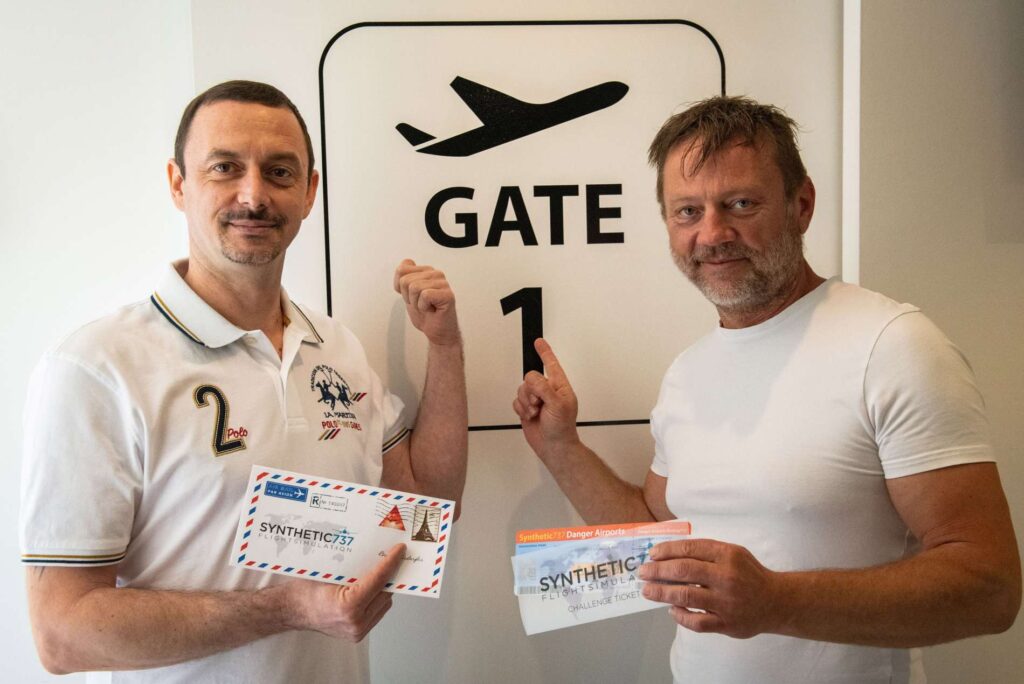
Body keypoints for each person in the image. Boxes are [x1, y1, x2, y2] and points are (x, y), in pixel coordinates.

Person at [513, 96, 1020, 683]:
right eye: (687, 212)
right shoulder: (688, 372)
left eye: (741, 203)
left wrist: (774, 600)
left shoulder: (892, 346)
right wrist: (560, 447)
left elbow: (991, 586)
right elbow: (657, 529)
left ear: (801, 205)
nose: (713, 233)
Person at [20, 80, 467, 682]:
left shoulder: (337, 348)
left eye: (280, 173)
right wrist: (286, 608)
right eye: (225, 168)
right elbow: (62, 634)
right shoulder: (97, 369)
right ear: (179, 184)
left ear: (310, 194)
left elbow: (428, 512)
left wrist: (445, 347)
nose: (253, 196)